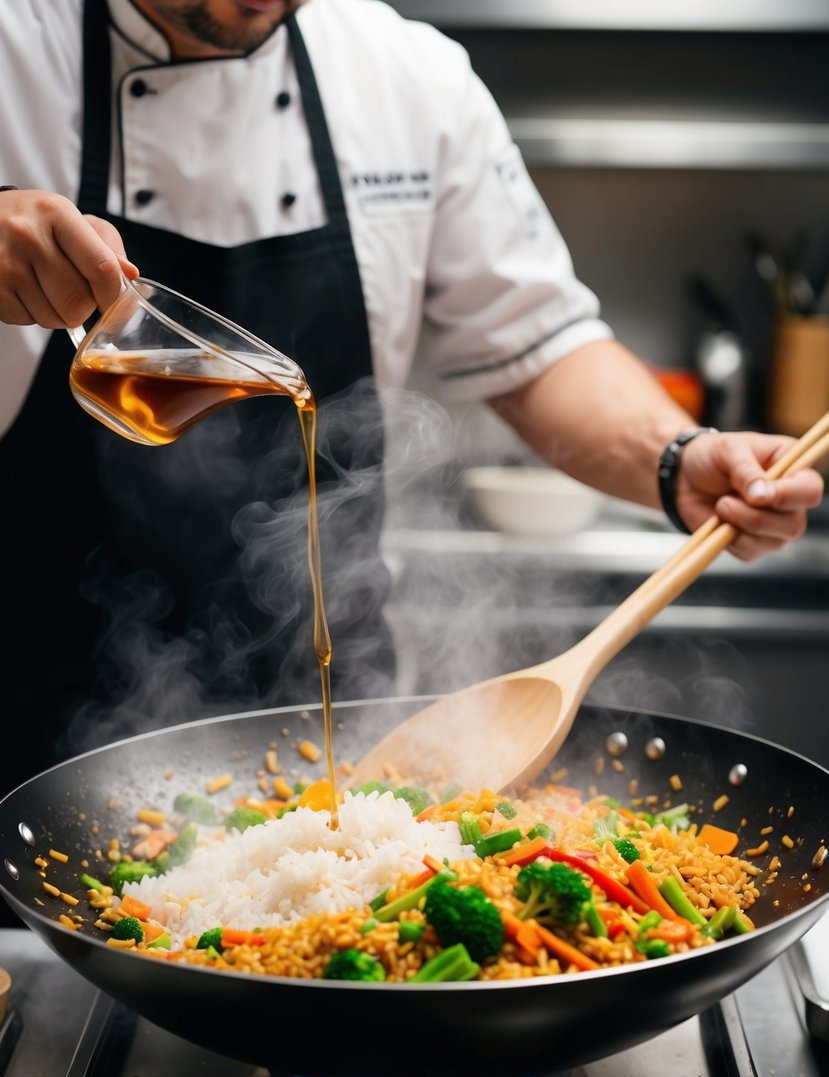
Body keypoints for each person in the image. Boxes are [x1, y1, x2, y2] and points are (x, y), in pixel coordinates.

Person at [0, 0, 823, 803]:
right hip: (24, 714)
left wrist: (674, 458)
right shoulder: (15, 49)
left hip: (334, 724)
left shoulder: (405, 77)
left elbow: (537, 347)